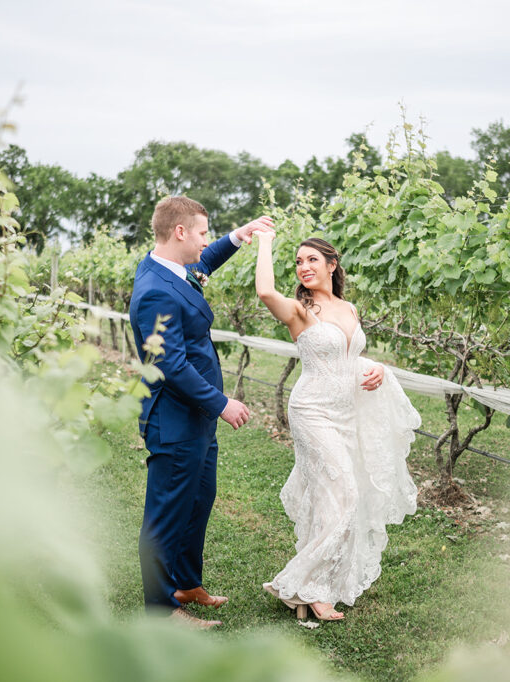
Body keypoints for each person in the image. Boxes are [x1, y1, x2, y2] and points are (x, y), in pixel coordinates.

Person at [254, 234, 420, 621]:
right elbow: (264, 291)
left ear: (332, 264)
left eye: (312, 259)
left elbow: (349, 356)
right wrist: (264, 241)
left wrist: (377, 367)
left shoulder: (349, 308)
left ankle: (316, 587)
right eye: (298, 262)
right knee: (343, 490)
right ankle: (304, 587)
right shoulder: (299, 310)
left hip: (346, 414)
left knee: (336, 498)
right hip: (312, 411)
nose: (303, 267)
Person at [129, 196, 274, 629]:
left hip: (195, 417)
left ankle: (187, 583)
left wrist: (236, 236)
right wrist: (222, 403)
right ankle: (159, 609)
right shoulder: (154, 290)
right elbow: (169, 363)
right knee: (167, 511)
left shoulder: (168, 268)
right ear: (180, 232)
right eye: (203, 232)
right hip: (174, 418)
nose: (205, 241)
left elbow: (202, 264)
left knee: (198, 500)